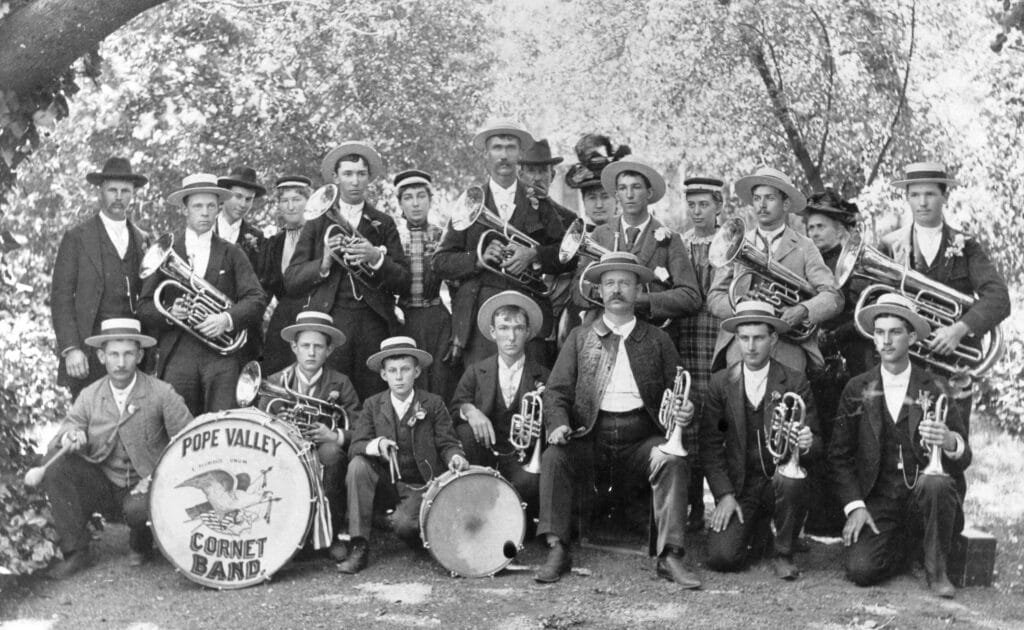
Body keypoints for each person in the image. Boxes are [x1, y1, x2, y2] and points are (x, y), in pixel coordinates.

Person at [535, 251, 699, 589]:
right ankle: (557, 548)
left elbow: (680, 391)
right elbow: (556, 392)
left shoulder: (658, 339)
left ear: (639, 288)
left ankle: (670, 555)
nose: (617, 290)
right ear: (599, 291)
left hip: (642, 439)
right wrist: (559, 424)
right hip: (590, 437)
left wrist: (686, 409)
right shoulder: (580, 338)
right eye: (609, 283)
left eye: (625, 282)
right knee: (554, 457)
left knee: (672, 459)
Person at [831, 293, 971, 598]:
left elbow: (964, 456)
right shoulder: (857, 388)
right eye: (879, 333)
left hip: (924, 496)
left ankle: (937, 571)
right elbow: (839, 457)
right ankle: (907, 548)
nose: (886, 341)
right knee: (861, 571)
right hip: (879, 499)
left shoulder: (934, 386)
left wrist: (949, 441)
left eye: (895, 332)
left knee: (935, 482)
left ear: (911, 337)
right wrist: (855, 506)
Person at [41, 318, 192, 578]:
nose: (120, 363)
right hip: (104, 483)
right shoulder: (90, 394)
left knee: (137, 510)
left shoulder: (162, 393)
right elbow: (69, 427)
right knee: (56, 462)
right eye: (113, 354)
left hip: (145, 486)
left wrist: (157, 477)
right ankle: (76, 550)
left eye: (128, 354)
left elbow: (188, 440)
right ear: (101, 356)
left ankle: (142, 540)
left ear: (140, 355)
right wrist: (72, 437)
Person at [878, 162, 1010, 434]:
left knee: (952, 450)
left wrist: (959, 330)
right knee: (902, 447)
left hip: (952, 368)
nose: (922, 202)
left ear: (944, 196)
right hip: (903, 365)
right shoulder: (890, 244)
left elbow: (998, 297)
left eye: (930, 194)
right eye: (915, 195)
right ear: (907, 198)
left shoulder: (966, 245)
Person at [432, 119, 570, 368]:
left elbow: (567, 255)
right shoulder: (469, 203)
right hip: (480, 317)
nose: (504, 155)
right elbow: (440, 262)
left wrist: (534, 254)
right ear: (486, 154)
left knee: (531, 390)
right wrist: (478, 257)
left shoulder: (539, 200)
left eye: (510, 147)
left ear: (520, 154)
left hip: (530, 314)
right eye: (497, 148)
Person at [699, 301, 821, 580]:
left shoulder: (794, 381)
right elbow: (710, 445)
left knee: (790, 480)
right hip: (740, 487)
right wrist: (724, 495)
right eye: (744, 338)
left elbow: (818, 446)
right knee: (722, 558)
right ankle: (759, 532)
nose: (750, 346)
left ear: (773, 339)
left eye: (759, 338)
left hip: (780, 483)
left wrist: (805, 442)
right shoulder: (721, 382)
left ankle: (783, 552)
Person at [284, 142, 410, 401]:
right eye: (348, 174)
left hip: (373, 321)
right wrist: (325, 261)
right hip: (332, 321)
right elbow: (292, 280)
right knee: (331, 395)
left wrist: (375, 258)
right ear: (336, 178)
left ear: (369, 178)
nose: (355, 181)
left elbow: (404, 281)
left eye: (361, 174)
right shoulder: (318, 221)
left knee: (371, 394)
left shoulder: (383, 223)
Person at [138, 174, 267, 416]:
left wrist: (225, 319)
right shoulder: (167, 251)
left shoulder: (232, 252)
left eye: (211, 206)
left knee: (221, 427)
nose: (205, 213)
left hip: (221, 357)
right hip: (179, 352)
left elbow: (256, 299)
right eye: (198, 206)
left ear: (219, 208)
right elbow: (144, 306)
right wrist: (169, 315)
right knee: (179, 429)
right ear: (185, 209)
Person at [338, 337, 468, 574]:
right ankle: (359, 544)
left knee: (405, 525)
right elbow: (355, 445)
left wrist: (455, 457)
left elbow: (447, 442)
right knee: (358, 465)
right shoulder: (372, 405)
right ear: (383, 375)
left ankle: (399, 524)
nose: (399, 377)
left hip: (421, 485)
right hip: (385, 484)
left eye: (405, 370)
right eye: (392, 371)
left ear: (416, 371)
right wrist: (377, 445)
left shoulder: (433, 404)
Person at [708, 166, 843, 373]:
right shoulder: (735, 244)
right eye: (757, 198)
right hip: (741, 346)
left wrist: (803, 310)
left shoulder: (805, 246)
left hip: (787, 347)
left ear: (786, 203)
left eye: (770, 198)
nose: (761, 205)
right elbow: (714, 298)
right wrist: (743, 306)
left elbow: (834, 297)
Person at [258, 310, 360, 562]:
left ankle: (330, 535)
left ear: (329, 350)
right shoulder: (276, 380)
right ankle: (285, 535)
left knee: (333, 455)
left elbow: (359, 425)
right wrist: (283, 427)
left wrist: (333, 433)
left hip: (322, 448)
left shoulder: (341, 382)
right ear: (294, 347)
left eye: (318, 346)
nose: (311, 352)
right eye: (305, 346)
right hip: (285, 449)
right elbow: (260, 421)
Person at [799, 190, 868, 536]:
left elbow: (864, 313)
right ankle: (819, 518)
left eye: (821, 226)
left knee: (845, 436)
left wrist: (833, 337)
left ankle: (844, 515)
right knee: (819, 431)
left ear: (842, 230)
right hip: (817, 359)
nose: (813, 233)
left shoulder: (861, 261)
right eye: (809, 226)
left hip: (851, 358)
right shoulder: (810, 260)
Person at [51, 157, 149, 398]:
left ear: (132, 194)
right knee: (88, 429)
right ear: (101, 192)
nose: (118, 197)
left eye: (125, 191)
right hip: (89, 352)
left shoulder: (143, 239)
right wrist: (71, 349)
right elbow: (60, 298)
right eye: (112, 190)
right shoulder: (76, 237)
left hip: (132, 351)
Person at [452, 290, 547, 520]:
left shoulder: (543, 375)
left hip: (521, 459)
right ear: (493, 333)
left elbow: (556, 416)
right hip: (485, 455)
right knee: (464, 431)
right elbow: (455, 406)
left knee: (529, 486)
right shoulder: (476, 370)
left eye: (518, 328)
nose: (511, 337)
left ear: (528, 333)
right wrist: (471, 411)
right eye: (504, 328)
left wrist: (540, 427)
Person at [677, 176, 726, 532]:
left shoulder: (732, 242)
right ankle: (693, 504)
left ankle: (724, 496)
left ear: (718, 206)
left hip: (719, 335)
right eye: (692, 205)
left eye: (704, 204)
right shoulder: (679, 242)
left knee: (718, 411)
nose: (697, 212)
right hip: (686, 334)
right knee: (688, 410)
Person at [393, 169, 455, 401]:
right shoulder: (394, 237)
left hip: (436, 319)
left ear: (430, 200)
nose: (416, 204)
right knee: (407, 381)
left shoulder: (443, 236)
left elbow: (455, 286)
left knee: (439, 380)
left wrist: (456, 330)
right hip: (404, 319)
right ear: (400, 203)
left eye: (421, 196)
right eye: (408, 198)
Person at [259, 175, 315, 375]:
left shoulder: (320, 235)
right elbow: (265, 287)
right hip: (283, 318)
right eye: (285, 201)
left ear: (309, 202)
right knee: (277, 373)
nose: (291, 206)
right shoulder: (274, 243)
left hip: (315, 315)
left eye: (297, 199)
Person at [217, 166, 269, 366]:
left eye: (249, 199)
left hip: (243, 330)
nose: (243, 204)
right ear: (225, 196)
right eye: (238, 196)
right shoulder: (204, 228)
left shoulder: (257, 238)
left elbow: (262, 288)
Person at [563, 134, 630, 230]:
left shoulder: (633, 235)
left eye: (605, 196)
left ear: (617, 199)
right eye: (592, 197)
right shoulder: (574, 236)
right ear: (583, 201)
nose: (599, 205)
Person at [519, 138, 577, 228]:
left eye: (543, 171)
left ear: (552, 176)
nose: (537, 178)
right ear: (521, 176)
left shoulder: (569, 219)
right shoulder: (507, 211)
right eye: (531, 170)